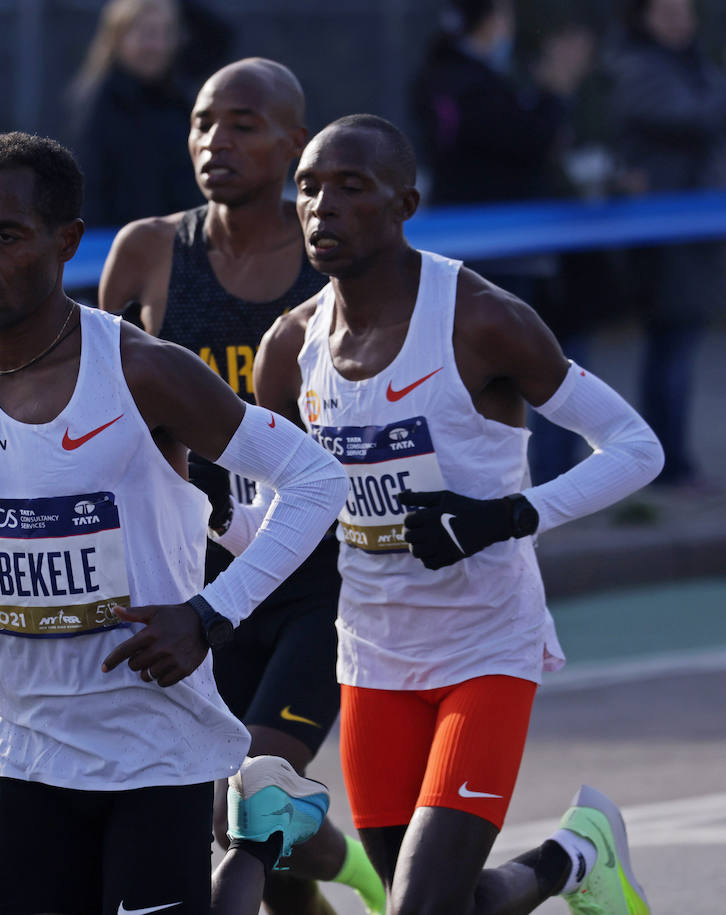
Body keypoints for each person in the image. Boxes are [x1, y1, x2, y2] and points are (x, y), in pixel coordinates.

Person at [0, 131, 349, 915]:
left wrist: (209, 614)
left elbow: (315, 479)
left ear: (66, 244)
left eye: (6, 235)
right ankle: (265, 832)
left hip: (156, 747)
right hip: (25, 750)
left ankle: (263, 837)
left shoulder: (142, 371)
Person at [237, 113, 663, 913]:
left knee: (419, 909)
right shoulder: (288, 348)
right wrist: (187, 517)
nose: (322, 207)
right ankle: (573, 855)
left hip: (485, 643)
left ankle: (570, 856)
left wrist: (505, 515)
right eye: (308, 188)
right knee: (442, 903)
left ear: (405, 203)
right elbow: (277, 519)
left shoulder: (481, 317)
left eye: (350, 188)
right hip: (371, 652)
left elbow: (637, 448)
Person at [100, 58, 384, 915]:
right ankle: (356, 873)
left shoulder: (334, 262)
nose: (214, 141)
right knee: (251, 817)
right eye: (201, 122)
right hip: (198, 581)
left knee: (252, 798)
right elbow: (110, 413)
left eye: (242, 125)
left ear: (295, 144)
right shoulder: (148, 251)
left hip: (319, 579)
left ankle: (357, 868)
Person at [410, 0, 597, 485]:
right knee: (511, 366)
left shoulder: (449, 78)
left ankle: (505, 478)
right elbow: (525, 143)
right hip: (500, 254)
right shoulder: (473, 86)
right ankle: (516, 479)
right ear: (491, 20)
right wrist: (555, 93)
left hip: (484, 250)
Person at [608, 0, 726, 489]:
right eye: (668, 12)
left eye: (686, 11)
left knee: (678, 346)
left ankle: (669, 460)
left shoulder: (693, 65)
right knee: (670, 349)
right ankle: (666, 464)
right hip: (662, 233)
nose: (682, 21)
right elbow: (692, 116)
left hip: (692, 230)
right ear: (645, 18)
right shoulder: (637, 68)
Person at [69, 0, 206, 226]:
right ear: (118, 37)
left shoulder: (179, 98)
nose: (158, 46)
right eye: (147, 34)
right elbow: (90, 192)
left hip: (183, 241)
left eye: (167, 33)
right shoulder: (97, 106)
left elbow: (220, 35)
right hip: (118, 246)